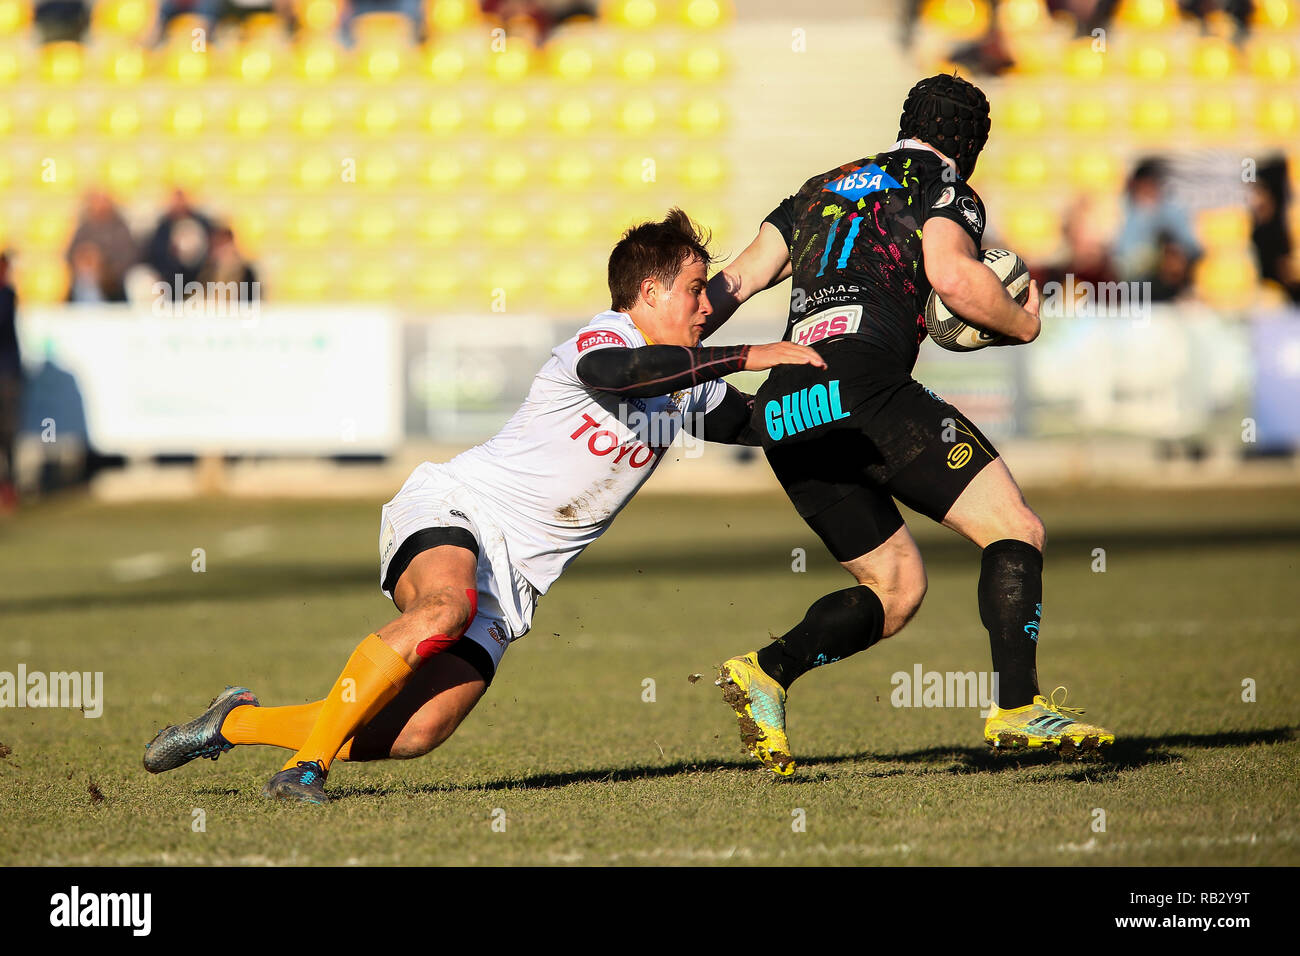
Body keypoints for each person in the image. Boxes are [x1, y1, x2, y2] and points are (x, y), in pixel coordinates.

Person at [142, 209, 825, 803]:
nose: (708, 307)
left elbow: (765, 423)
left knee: (415, 733)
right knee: (444, 609)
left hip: (517, 580)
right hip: (458, 508)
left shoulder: (686, 381)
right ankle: (304, 770)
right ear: (647, 292)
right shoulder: (605, 338)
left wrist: (851, 401)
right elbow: (616, 376)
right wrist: (744, 354)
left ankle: (230, 725)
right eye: (696, 291)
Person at [702, 74, 1114, 776]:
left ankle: (766, 672)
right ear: (970, 144)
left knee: (895, 589)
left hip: (786, 402)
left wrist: (666, 357)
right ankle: (1018, 708)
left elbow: (733, 283)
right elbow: (952, 278)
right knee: (1014, 529)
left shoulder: (816, 187)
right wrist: (1022, 322)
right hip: (866, 389)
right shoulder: (941, 184)